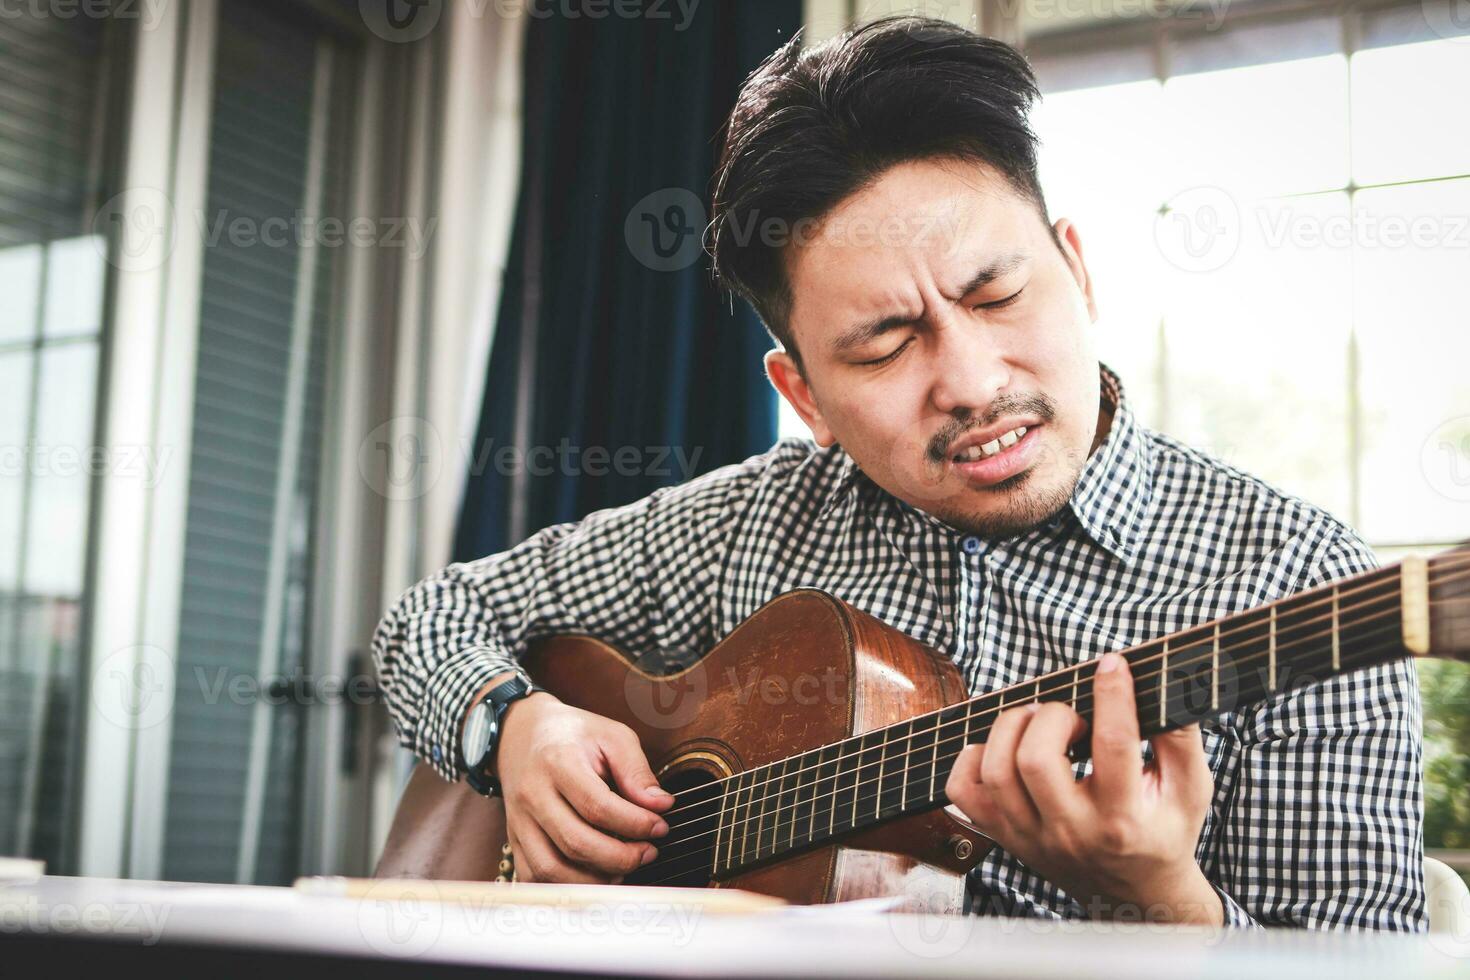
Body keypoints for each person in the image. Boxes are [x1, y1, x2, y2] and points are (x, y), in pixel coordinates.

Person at [371, 16, 1425, 929]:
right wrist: (515, 723)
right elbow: (427, 620)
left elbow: (1362, 967)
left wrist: (1161, 897)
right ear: (806, 398)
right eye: (884, 345)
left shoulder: (1300, 575)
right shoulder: (748, 523)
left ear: (1078, 267)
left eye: (998, 292)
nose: (969, 380)